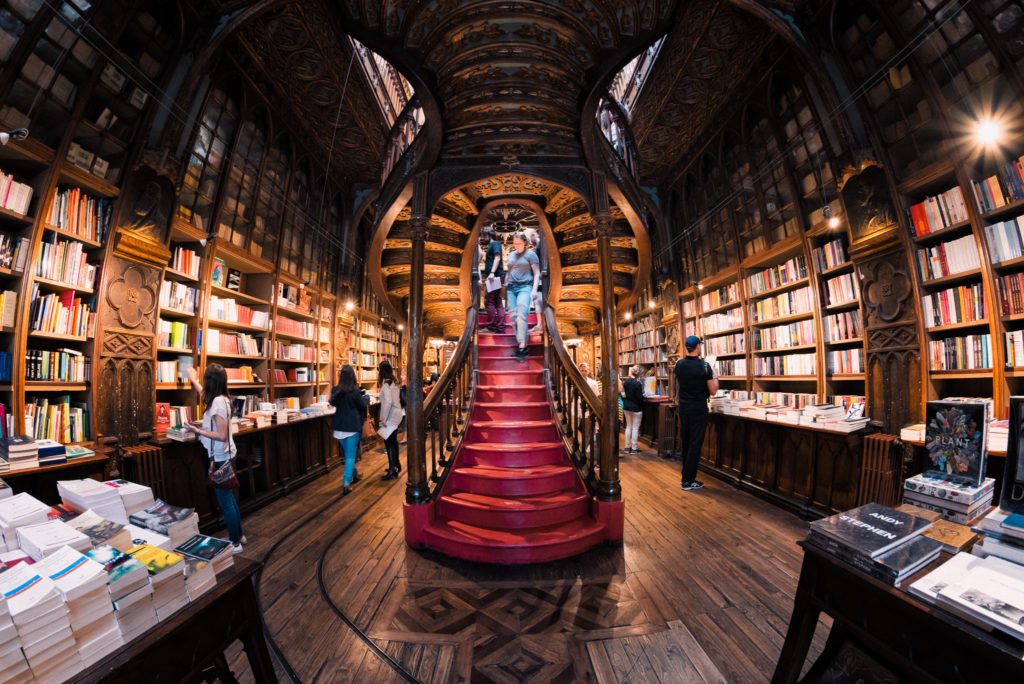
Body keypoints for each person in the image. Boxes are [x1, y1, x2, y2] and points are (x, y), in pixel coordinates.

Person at [185, 364, 244, 553]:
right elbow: (205, 395)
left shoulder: (218, 402)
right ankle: (238, 535)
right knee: (230, 499)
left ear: (210, 381)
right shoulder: (221, 399)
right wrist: (193, 380)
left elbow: (221, 435)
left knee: (226, 502)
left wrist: (198, 430)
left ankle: (235, 543)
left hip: (221, 456)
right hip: (225, 454)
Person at [675, 336, 718, 492]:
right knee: (695, 443)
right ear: (698, 347)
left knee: (686, 441)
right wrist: (715, 374)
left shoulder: (679, 364)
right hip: (698, 409)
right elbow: (713, 391)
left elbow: (679, 386)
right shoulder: (705, 366)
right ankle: (688, 480)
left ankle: (685, 476)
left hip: (684, 408)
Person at [330, 365, 369, 495]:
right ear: (353, 376)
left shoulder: (336, 390)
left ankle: (356, 475)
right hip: (352, 426)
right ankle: (346, 483)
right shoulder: (354, 391)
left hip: (339, 427)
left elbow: (332, 403)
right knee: (350, 456)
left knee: (348, 454)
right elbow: (363, 405)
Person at [505, 231, 541, 361]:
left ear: (525, 242)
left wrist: (534, 290)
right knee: (513, 316)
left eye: (519, 243)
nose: (516, 246)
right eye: (515, 243)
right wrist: (505, 283)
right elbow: (509, 271)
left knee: (521, 313)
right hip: (511, 288)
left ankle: (522, 346)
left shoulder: (531, 255)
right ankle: (522, 341)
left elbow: (537, 273)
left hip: (525, 287)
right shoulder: (510, 255)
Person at [377, 360, 404, 480]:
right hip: (397, 413)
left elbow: (388, 402)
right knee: (393, 441)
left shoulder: (386, 383)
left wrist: (383, 418)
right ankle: (395, 464)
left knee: (388, 443)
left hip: (390, 415)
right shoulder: (394, 381)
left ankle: (392, 470)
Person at [479, 226, 506, 334]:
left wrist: (492, 273)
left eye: (483, 235)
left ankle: (491, 327)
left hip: (495, 276)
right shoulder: (493, 244)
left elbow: (498, 257)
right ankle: (500, 328)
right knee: (497, 301)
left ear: (488, 234)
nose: (482, 237)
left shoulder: (495, 244)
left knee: (489, 301)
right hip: (498, 276)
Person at [620, 365, 646, 455]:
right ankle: (634, 448)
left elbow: (624, 393)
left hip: (627, 406)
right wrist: (643, 398)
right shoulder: (638, 383)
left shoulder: (626, 382)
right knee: (635, 428)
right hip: (636, 408)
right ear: (639, 374)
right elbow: (639, 397)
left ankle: (627, 447)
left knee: (628, 426)